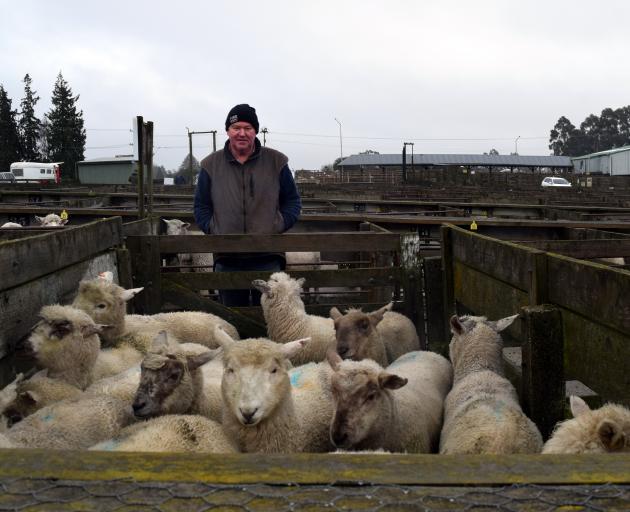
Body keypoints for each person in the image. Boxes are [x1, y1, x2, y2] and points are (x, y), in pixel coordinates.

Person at [193, 104, 302, 307]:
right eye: (236, 128)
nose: (242, 133)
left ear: (255, 131)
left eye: (248, 128)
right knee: (233, 318)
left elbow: (293, 201)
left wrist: (278, 224)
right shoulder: (211, 165)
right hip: (227, 258)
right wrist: (213, 228)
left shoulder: (276, 161)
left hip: (268, 255)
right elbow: (201, 205)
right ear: (228, 130)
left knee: (271, 317)